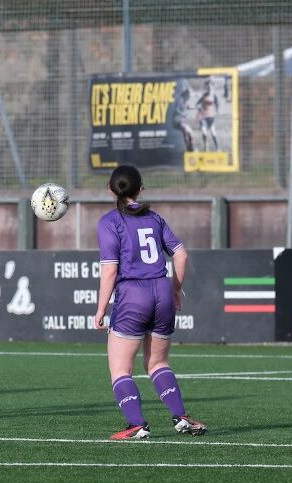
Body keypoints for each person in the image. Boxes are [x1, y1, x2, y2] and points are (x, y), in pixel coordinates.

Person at [94, 164, 206, 440]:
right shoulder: (154, 219)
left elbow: (110, 270)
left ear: (110, 189)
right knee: (157, 363)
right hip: (161, 291)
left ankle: (136, 424)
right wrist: (175, 289)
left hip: (133, 295)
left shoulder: (109, 222)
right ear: (141, 188)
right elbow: (181, 255)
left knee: (121, 369)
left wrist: (100, 309)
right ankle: (180, 417)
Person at [195, 77, 220, 151]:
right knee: (204, 132)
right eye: (208, 87)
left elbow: (217, 104)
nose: (209, 88)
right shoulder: (204, 95)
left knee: (213, 134)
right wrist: (198, 107)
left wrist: (217, 111)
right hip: (203, 116)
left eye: (210, 86)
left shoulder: (214, 95)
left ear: (212, 87)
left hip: (211, 117)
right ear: (206, 87)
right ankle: (206, 146)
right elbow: (197, 104)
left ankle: (217, 147)